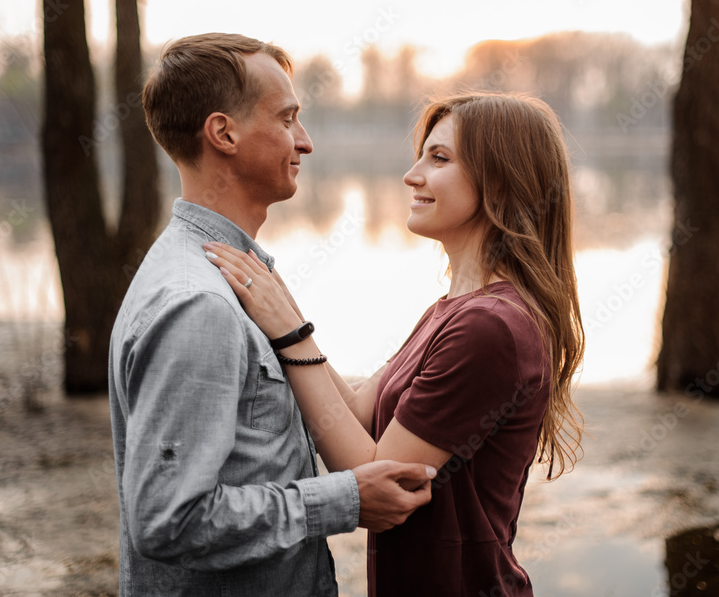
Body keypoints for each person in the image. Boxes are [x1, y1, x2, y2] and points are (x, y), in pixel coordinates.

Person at [204, 92, 585, 596]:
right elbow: (359, 412)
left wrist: (287, 333)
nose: (412, 175)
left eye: (440, 158)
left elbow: (375, 478)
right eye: (421, 154)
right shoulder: (452, 310)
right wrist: (285, 310)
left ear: (500, 178)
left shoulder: (490, 328)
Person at [107, 33, 436, 597]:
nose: (304, 142)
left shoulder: (231, 274)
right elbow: (168, 519)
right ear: (223, 133)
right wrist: (346, 499)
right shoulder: (199, 304)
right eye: (287, 119)